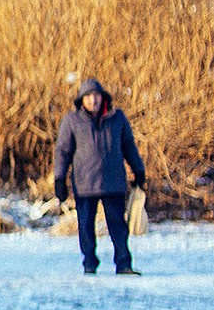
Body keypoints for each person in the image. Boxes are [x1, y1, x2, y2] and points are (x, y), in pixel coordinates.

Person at [54, 78, 146, 276]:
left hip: (113, 182)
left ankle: (123, 264)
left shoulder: (117, 118)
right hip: (84, 183)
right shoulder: (72, 121)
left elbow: (129, 146)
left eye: (95, 96)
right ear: (81, 100)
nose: (92, 101)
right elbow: (63, 151)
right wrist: (59, 178)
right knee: (86, 226)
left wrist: (138, 170)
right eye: (88, 97)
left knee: (118, 226)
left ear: (102, 98)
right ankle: (89, 263)